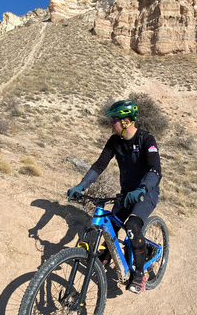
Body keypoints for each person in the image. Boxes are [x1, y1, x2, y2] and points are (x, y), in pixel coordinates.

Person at [67, 100, 162, 294]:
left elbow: (155, 170)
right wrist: (81, 186)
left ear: (126, 122)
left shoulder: (146, 140)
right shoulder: (114, 141)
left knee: (133, 226)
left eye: (113, 120)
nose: (111, 124)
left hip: (146, 193)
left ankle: (139, 273)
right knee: (111, 223)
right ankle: (110, 253)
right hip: (126, 193)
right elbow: (98, 166)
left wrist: (142, 189)